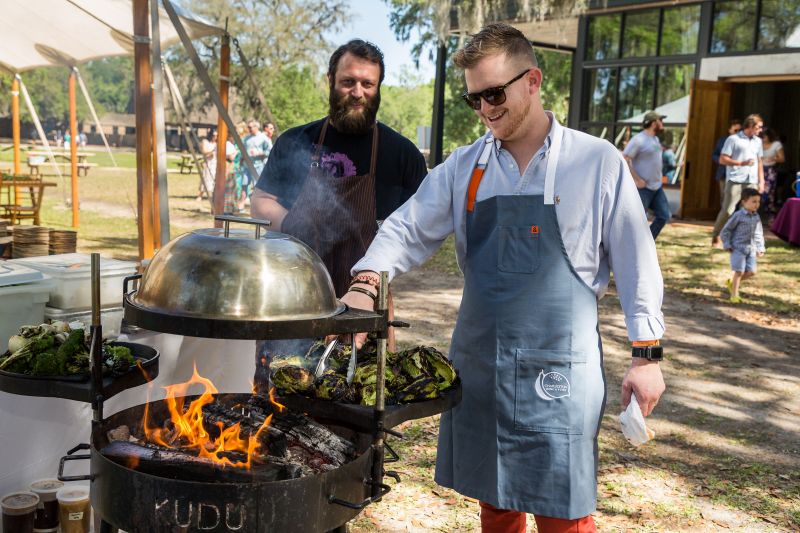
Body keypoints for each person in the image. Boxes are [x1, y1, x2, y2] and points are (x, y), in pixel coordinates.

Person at [340, 23, 665, 533]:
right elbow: (406, 228)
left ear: (532, 81)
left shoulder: (594, 160)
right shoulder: (464, 167)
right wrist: (366, 283)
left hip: (560, 372)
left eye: (494, 94)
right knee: (495, 504)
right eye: (474, 99)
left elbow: (636, 257)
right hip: (483, 366)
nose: (485, 110)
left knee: (564, 514)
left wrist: (646, 354)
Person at [250, 39, 427, 387]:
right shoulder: (295, 141)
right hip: (293, 295)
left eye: (367, 84)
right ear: (330, 80)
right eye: (348, 81)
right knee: (280, 392)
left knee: (360, 395)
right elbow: (261, 200)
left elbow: (418, 228)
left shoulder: (402, 154)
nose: (357, 92)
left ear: (378, 87)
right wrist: (297, 224)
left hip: (365, 305)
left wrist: (372, 276)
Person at [711, 114, 764, 247]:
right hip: (735, 179)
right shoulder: (733, 139)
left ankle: (744, 240)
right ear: (750, 126)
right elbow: (722, 159)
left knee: (750, 210)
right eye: (759, 127)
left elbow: (759, 162)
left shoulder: (758, 141)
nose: (761, 130)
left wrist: (761, 181)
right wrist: (741, 163)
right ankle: (716, 235)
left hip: (752, 180)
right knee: (728, 210)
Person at [622, 111, 671, 240]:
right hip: (643, 188)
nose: (662, 124)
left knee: (664, 216)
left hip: (657, 187)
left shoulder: (655, 139)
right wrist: (637, 179)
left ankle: (646, 242)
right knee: (636, 220)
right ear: (654, 123)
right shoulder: (638, 140)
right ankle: (627, 244)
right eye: (661, 121)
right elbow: (624, 159)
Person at [720, 188, 765, 303]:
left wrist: (760, 247)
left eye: (758, 202)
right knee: (739, 272)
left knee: (752, 272)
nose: (757, 204)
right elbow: (726, 230)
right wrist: (727, 244)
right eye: (753, 201)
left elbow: (758, 233)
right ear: (744, 202)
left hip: (751, 249)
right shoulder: (738, 215)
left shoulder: (756, 217)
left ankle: (732, 283)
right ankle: (734, 295)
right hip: (738, 249)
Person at [241, 119, 271, 206]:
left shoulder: (263, 138)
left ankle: (255, 204)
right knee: (244, 184)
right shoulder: (246, 138)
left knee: (256, 186)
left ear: (257, 127)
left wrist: (260, 153)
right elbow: (243, 151)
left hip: (258, 166)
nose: (249, 129)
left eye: (251, 127)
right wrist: (241, 161)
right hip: (246, 165)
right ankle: (241, 204)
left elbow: (270, 151)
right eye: (248, 127)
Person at [712, 119, 742, 203]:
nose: (738, 132)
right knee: (724, 197)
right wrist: (720, 160)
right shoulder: (722, 140)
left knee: (739, 198)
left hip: (739, 174)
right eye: (736, 130)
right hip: (724, 173)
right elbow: (714, 154)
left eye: (740, 130)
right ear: (729, 130)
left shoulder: (745, 141)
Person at [760, 128, 784, 218]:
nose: (763, 139)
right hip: (759, 170)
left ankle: (770, 213)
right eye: (761, 137)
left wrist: (773, 158)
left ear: (769, 136)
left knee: (768, 193)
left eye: (764, 137)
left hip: (770, 171)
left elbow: (782, 159)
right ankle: (760, 214)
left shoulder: (776, 144)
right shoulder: (758, 144)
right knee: (758, 191)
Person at [197, 129, 217, 201]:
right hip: (208, 162)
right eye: (214, 135)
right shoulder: (205, 142)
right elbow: (204, 151)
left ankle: (214, 196)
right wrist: (212, 152)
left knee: (214, 179)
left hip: (215, 162)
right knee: (205, 178)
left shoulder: (217, 143)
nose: (215, 137)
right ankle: (200, 195)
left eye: (216, 136)